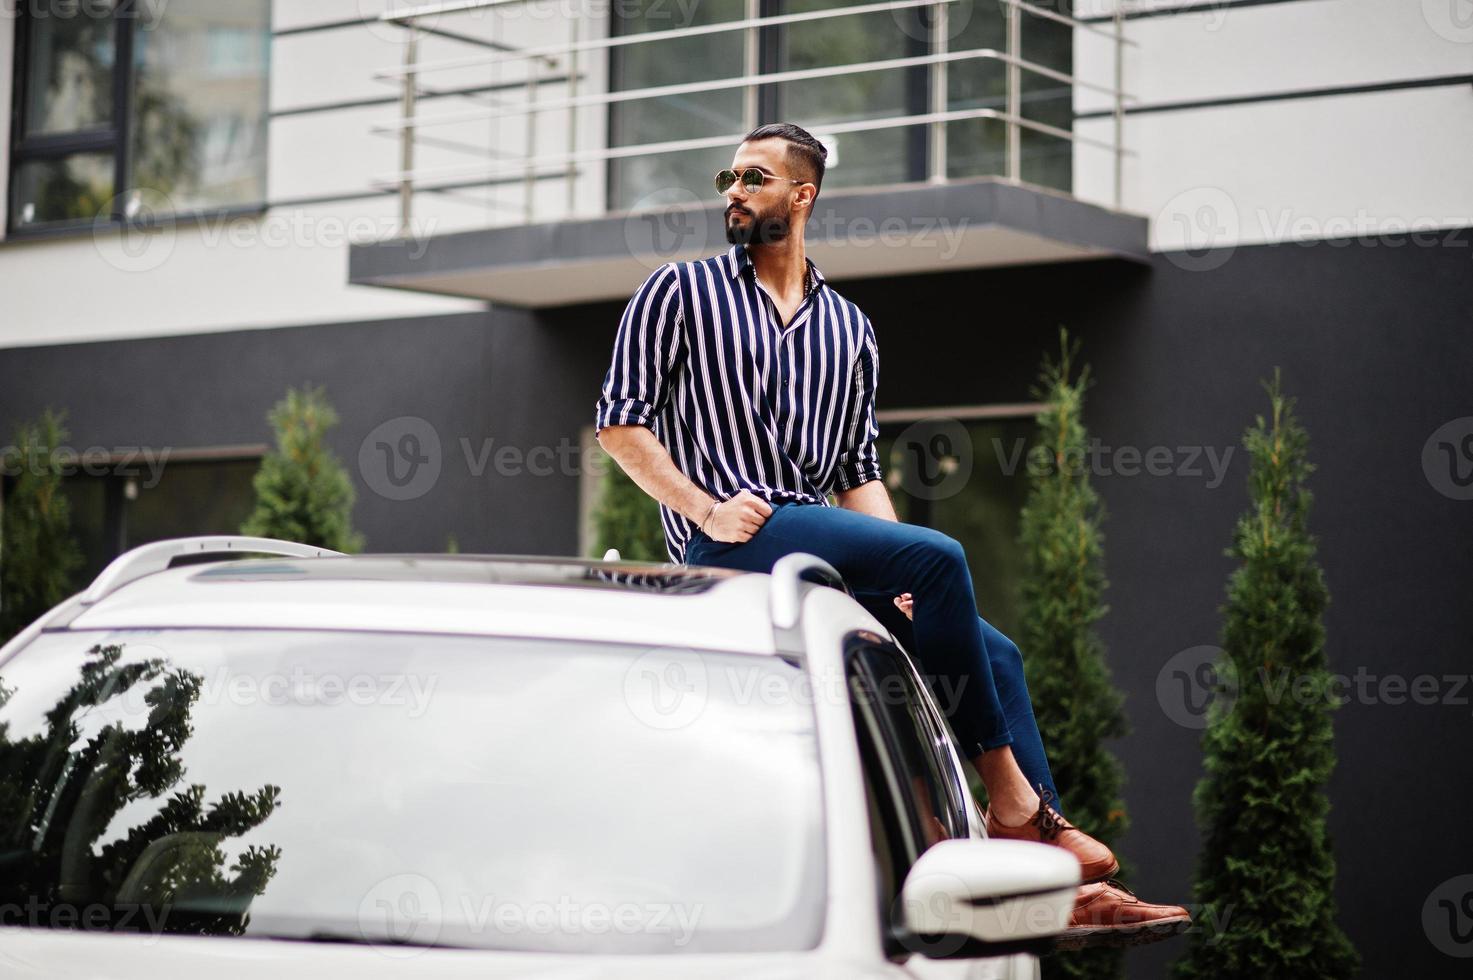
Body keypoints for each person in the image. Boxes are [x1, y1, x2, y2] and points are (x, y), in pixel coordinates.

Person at [595, 121, 1189, 944]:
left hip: (823, 538)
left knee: (994, 650)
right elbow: (618, 427)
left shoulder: (851, 330)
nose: (733, 191)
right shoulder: (678, 291)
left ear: (801, 196)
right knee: (939, 555)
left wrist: (902, 572)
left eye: (754, 178)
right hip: (731, 539)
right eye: (728, 176)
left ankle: (1056, 891)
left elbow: (855, 472)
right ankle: (1020, 811)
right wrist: (704, 509)